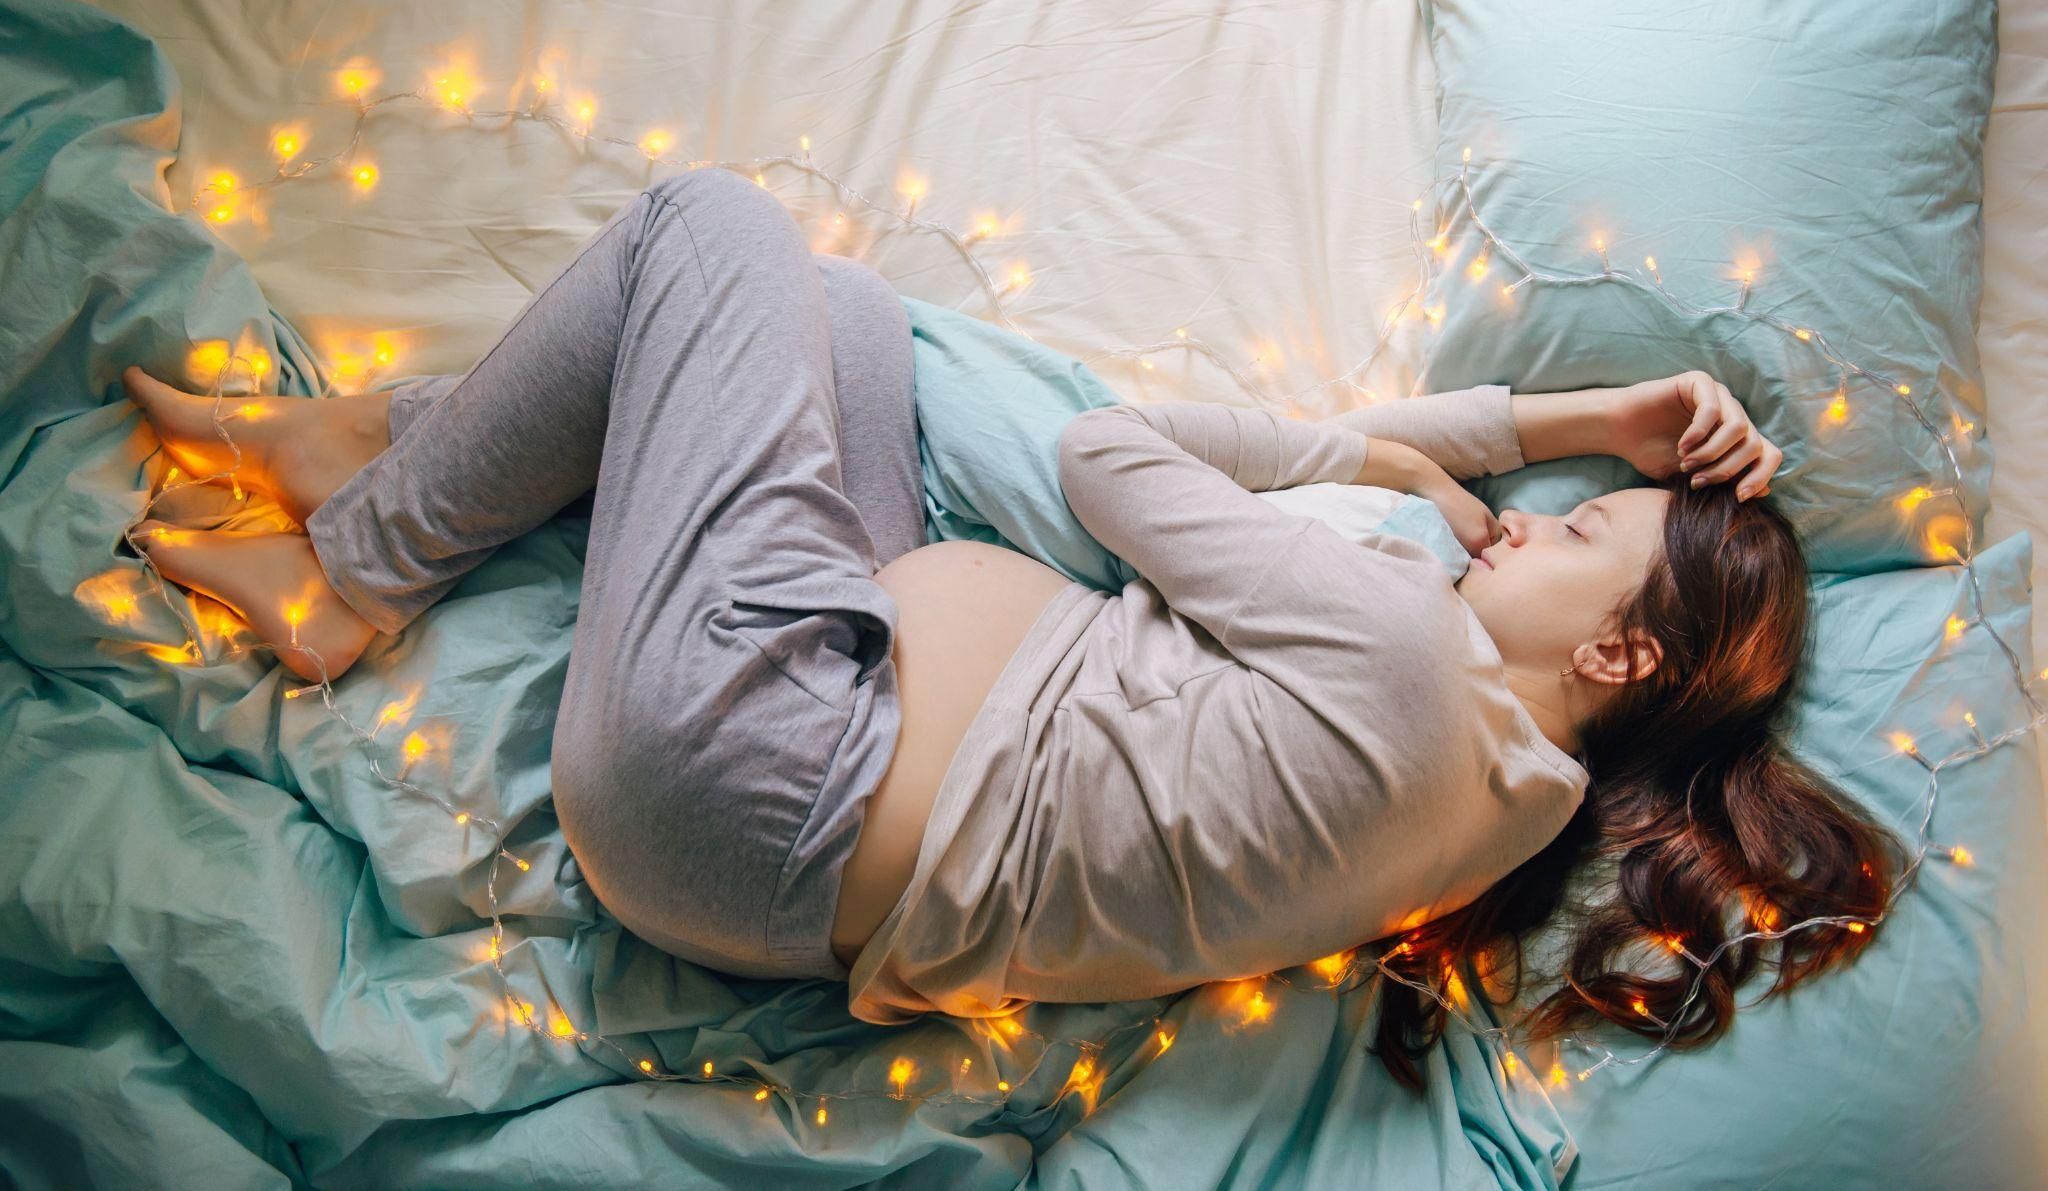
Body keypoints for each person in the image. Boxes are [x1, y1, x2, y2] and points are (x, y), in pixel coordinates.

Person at [122, 167, 1902, 1092]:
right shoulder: (1496, 804)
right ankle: (391, 447)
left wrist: (1377, 455)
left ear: (1615, 658)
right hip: (802, 767)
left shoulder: (1400, 654)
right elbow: (1337, 538)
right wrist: (1552, 430)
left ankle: (354, 567)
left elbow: (1106, 455)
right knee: (836, 321)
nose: (1519, 524)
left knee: (714, 224)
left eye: (1575, 531)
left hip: (745, 774)